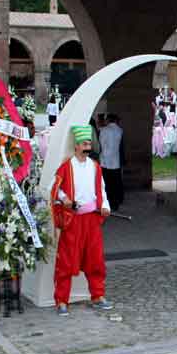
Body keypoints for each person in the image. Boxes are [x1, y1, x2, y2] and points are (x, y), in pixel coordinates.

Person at [50, 125, 113, 315]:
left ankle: (98, 296)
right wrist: (65, 199)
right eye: (85, 144)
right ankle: (61, 300)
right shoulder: (66, 167)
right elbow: (55, 189)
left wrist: (105, 206)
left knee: (95, 260)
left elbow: (101, 189)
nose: (88, 147)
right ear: (76, 146)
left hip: (92, 219)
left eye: (89, 143)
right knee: (67, 261)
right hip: (74, 220)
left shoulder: (95, 166)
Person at [99, 113, 124, 211]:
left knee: (107, 183)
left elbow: (102, 144)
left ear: (108, 120)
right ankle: (116, 202)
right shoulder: (119, 130)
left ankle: (108, 202)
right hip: (115, 160)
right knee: (116, 182)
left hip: (105, 160)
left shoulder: (104, 130)